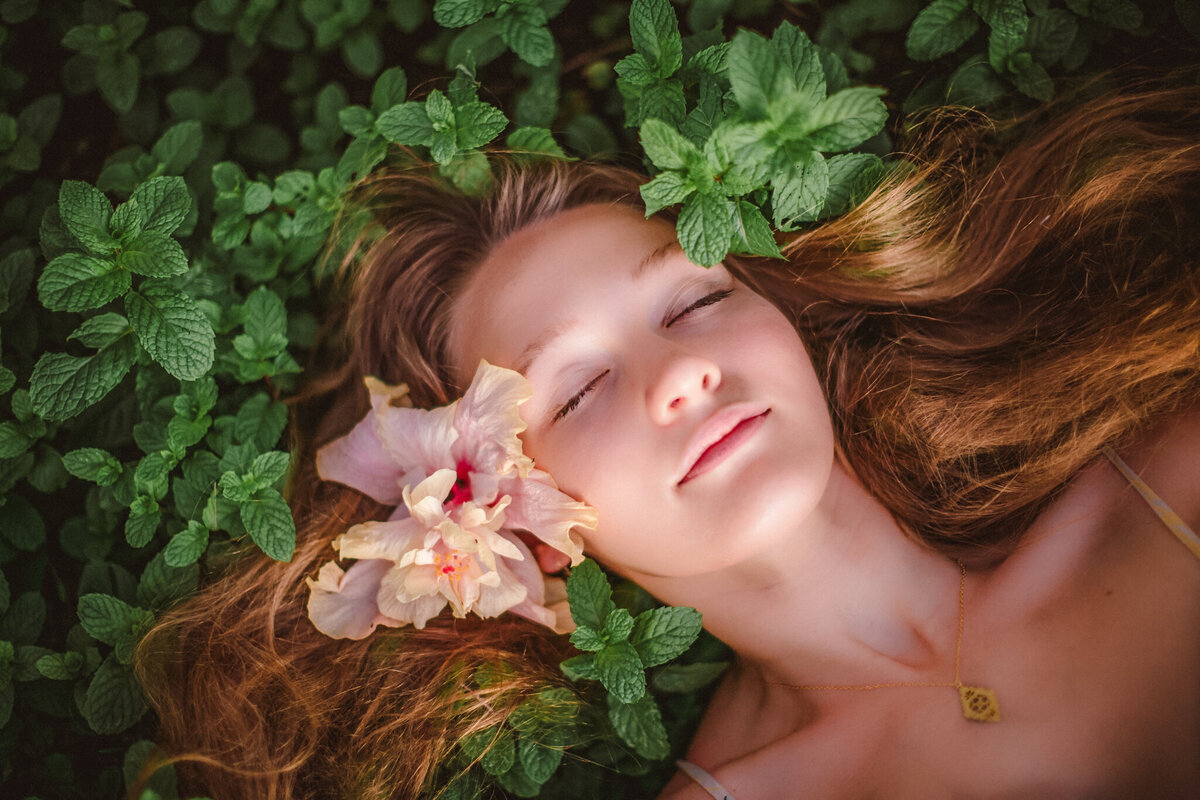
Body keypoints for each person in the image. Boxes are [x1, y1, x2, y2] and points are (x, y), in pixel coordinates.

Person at [137, 76, 1200, 799]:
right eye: (582, 385)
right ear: (509, 529)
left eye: (693, 302)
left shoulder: (1177, 481)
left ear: (786, 313)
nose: (682, 373)